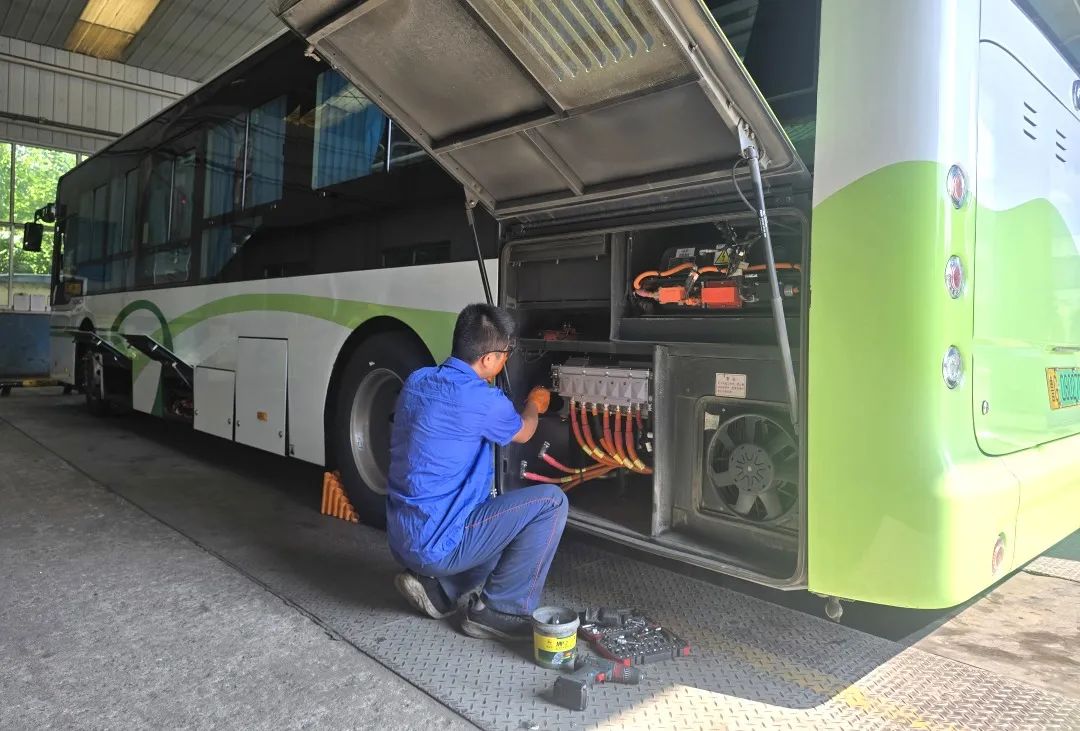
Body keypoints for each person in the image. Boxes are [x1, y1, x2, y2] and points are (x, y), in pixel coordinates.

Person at [387, 303, 567, 640]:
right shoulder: (483, 400)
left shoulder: (417, 380)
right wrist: (536, 403)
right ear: (488, 359)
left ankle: (440, 590)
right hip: (437, 544)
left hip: (402, 536)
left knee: (501, 520)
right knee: (551, 504)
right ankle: (499, 611)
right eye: (505, 355)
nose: (505, 361)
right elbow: (525, 432)